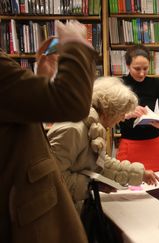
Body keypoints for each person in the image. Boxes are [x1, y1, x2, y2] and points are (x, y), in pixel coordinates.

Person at [0, 20, 96, 243]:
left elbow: (21, 116)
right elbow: (72, 103)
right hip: (28, 213)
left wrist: (43, 77)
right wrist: (75, 42)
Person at [47, 77, 159, 210]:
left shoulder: (91, 124)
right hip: (58, 213)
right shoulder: (73, 129)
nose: (123, 119)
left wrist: (139, 174)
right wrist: (91, 185)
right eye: (122, 113)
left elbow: (101, 163)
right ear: (110, 111)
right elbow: (51, 179)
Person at [116, 45, 159, 172]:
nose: (142, 73)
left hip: (154, 143)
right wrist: (127, 114)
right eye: (137, 69)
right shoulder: (120, 84)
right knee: (127, 187)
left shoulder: (155, 84)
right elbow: (111, 117)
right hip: (130, 143)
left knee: (158, 185)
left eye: (145, 68)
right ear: (128, 66)